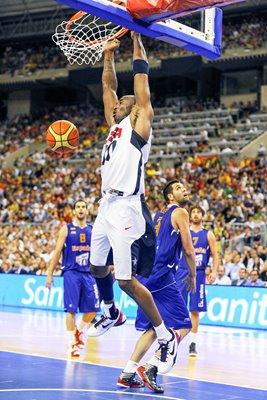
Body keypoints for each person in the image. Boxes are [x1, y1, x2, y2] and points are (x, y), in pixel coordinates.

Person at [87, 32, 179, 374]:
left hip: (128, 207)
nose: (114, 105)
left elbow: (140, 78)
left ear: (134, 108)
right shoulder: (114, 127)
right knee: (97, 268)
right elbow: (108, 87)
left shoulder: (140, 125)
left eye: (121, 104)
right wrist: (108, 55)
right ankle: (111, 311)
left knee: (126, 281)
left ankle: (165, 335)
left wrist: (139, 34)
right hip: (105, 205)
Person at [117, 180, 196, 393]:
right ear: (170, 197)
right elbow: (189, 250)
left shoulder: (158, 216)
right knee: (184, 325)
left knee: (153, 327)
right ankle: (152, 366)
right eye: (179, 188)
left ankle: (127, 373)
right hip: (162, 277)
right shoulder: (180, 212)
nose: (184, 189)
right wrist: (193, 275)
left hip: (146, 276)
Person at [46, 199, 101, 357]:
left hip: (89, 274)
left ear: (87, 210)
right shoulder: (66, 229)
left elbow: (99, 252)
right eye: (78, 207)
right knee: (71, 310)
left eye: (83, 207)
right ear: (74, 211)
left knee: (92, 310)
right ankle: (71, 344)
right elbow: (57, 252)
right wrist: (50, 273)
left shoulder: (93, 230)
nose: (81, 209)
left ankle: (79, 331)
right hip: (71, 272)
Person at [176, 206, 219, 357]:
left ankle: (192, 343)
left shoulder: (208, 234)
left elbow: (215, 255)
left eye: (198, 212)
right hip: (182, 271)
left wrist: (213, 271)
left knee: (195, 309)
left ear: (202, 215)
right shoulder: (183, 231)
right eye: (193, 212)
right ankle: (172, 338)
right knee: (177, 305)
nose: (195, 214)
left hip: (199, 274)